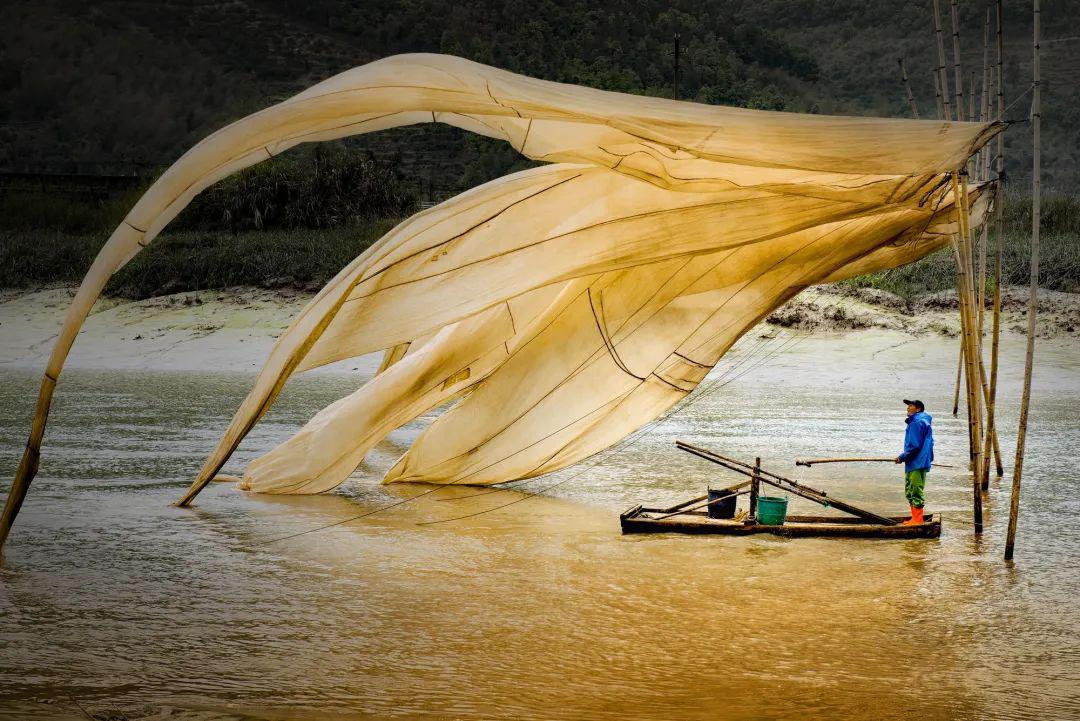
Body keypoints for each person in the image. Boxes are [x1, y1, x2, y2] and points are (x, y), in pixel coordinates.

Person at [895, 399, 934, 525]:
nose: (908, 408)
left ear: (918, 409)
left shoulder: (916, 422)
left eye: (911, 406)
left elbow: (915, 446)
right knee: (910, 488)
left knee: (915, 489)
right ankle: (915, 518)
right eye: (908, 406)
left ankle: (917, 520)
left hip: (917, 461)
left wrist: (902, 457)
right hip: (917, 460)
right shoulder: (921, 421)